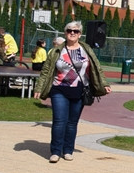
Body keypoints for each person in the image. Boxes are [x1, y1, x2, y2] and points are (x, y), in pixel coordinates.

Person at [34, 21, 111, 163]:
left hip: (80, 90)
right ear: (65, 32)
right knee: (59, 121)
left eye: (76, 31)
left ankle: (68, 150)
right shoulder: (57, 51)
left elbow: (96, 68)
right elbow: (46, 70)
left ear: (80, 34)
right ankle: (56, 151)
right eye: (69, 30)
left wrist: (104, 83)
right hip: (59, 89)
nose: (72, 33)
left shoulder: (86, 49)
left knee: (72, 123)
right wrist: (39, 87)